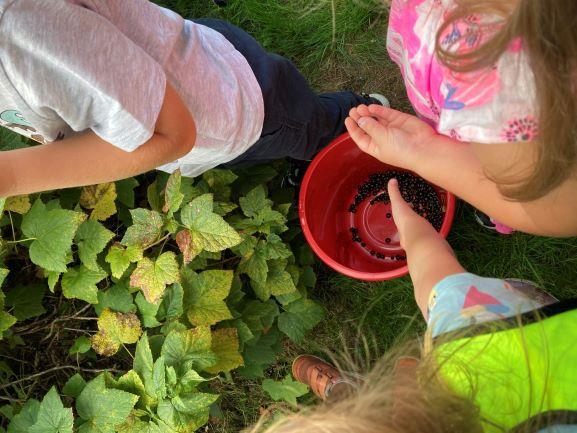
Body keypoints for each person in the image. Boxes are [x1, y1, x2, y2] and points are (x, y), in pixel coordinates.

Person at [261, 178, 577, 433]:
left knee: (399, 384)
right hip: (514, 319)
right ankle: (363, 404)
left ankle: (345, 394)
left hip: (504, 331)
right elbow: (429, 258)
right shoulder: (470, 335)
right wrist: (404, 212)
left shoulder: (464, 335)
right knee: (407, 375)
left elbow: (431, 262)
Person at [0, 0, 385, 197]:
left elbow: (171, 135)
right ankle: (315, 147)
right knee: (271, 142)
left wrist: (13, 176)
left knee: (306, 125)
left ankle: (357, 117)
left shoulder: (21, 28)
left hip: (236, 101)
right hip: (207, 112)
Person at [344, 0, 577, 237]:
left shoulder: (510, 92)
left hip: (506, 165)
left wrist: (422, 151)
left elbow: (556, 212)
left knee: (508, 184)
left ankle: (495, 209)